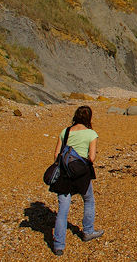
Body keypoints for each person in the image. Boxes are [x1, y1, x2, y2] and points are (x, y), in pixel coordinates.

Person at [49, 105, 103, 256]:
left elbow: (56, 154)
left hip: (64, 175)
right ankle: (88, 231)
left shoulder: (65, 132)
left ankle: (58, 245)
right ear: (89, 118)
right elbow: (91, 158)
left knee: (63, 210)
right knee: (88, 201)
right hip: (81, 175)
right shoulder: (91, 134)